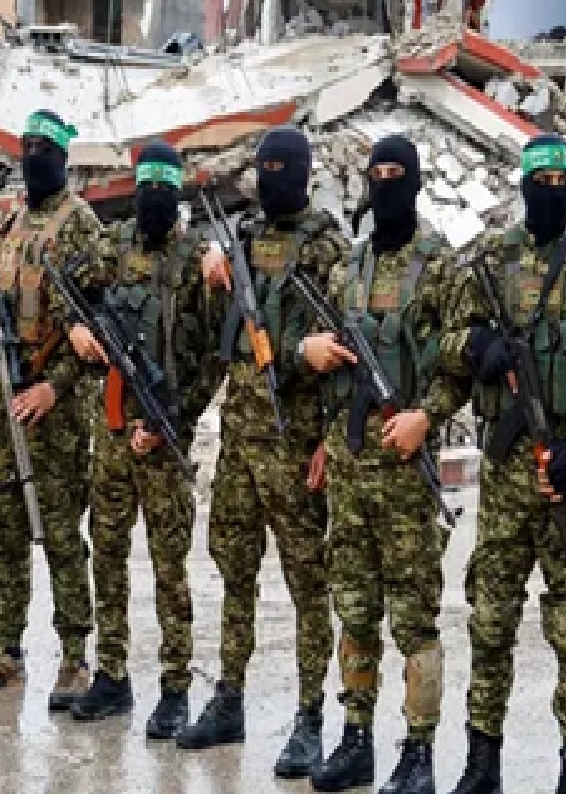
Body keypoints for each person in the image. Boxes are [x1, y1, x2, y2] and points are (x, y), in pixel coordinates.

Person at [443, 134, 566, 794]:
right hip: (504, 478)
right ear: (523, 187)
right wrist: (477, 348)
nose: (550, 193)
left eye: (561, 182)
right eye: (540, 181)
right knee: (490, 620)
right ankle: (482, 761)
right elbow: (443, 340)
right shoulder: (489, 261)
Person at [300, 134, 473, 794]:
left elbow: (461, 363)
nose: (385, 182)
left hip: (404, 471)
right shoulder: (350, 266)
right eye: (377, 172)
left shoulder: (441, 266)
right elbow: (334, 366)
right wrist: (323, 425)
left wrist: (427, 416)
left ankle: (419, 751)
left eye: (398, 172)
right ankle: (357, 738)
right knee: (354, 608)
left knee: (414, 617)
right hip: (348, 468)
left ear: (417, 181)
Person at [179, 125, 345, 781]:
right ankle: (229, 696)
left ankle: (310, 714)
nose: (272, 180)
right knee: (234, 570)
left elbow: (348, 353)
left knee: (308, 583)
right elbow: (213, 332)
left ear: (302, 174)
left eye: (283, 169)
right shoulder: (244, 239)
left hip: (296, 440)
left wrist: (330, 439)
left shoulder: (328, 247)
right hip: (241, 442)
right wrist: (210, 272)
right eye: (264, 169)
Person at [65, 141, 218, 738]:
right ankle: (111, 674)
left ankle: (176, 685)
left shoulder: (194, 259)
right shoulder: (114, 245)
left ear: (177, 193)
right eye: (145, 185)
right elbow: (67, 282)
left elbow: (212, 357)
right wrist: (76, 327)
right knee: (106, 552)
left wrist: (174, 421)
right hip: (111, 431)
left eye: (163, 187)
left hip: (163, 431)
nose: (153, 197)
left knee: (169, 564)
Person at [0, 109, 94, 711]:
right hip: (1, 404)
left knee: (61, 535)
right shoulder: (11, 222)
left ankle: (75, 656)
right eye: (27, 147)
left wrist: (53, 389)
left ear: (62, 158)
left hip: (52, 411)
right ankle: (7, 648)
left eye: (44, 149)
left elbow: (96, 329)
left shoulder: (81, 225)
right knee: (6, 531)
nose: (33, 158)